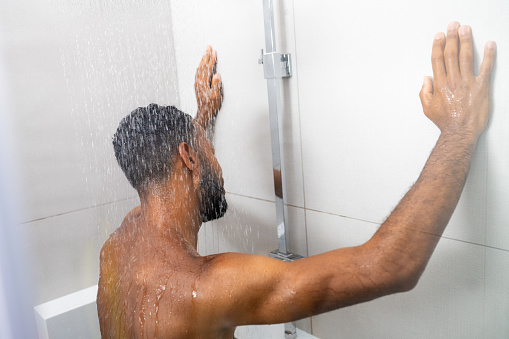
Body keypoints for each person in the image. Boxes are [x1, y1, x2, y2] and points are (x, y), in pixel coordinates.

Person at [97, 22, 496, 339]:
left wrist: (203, 119)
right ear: (189, 158)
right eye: (208, 153)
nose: (218, 165)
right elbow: (390, 266)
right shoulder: (204, 288)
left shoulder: (120, 246)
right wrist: (458, 132)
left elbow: (183, 181)